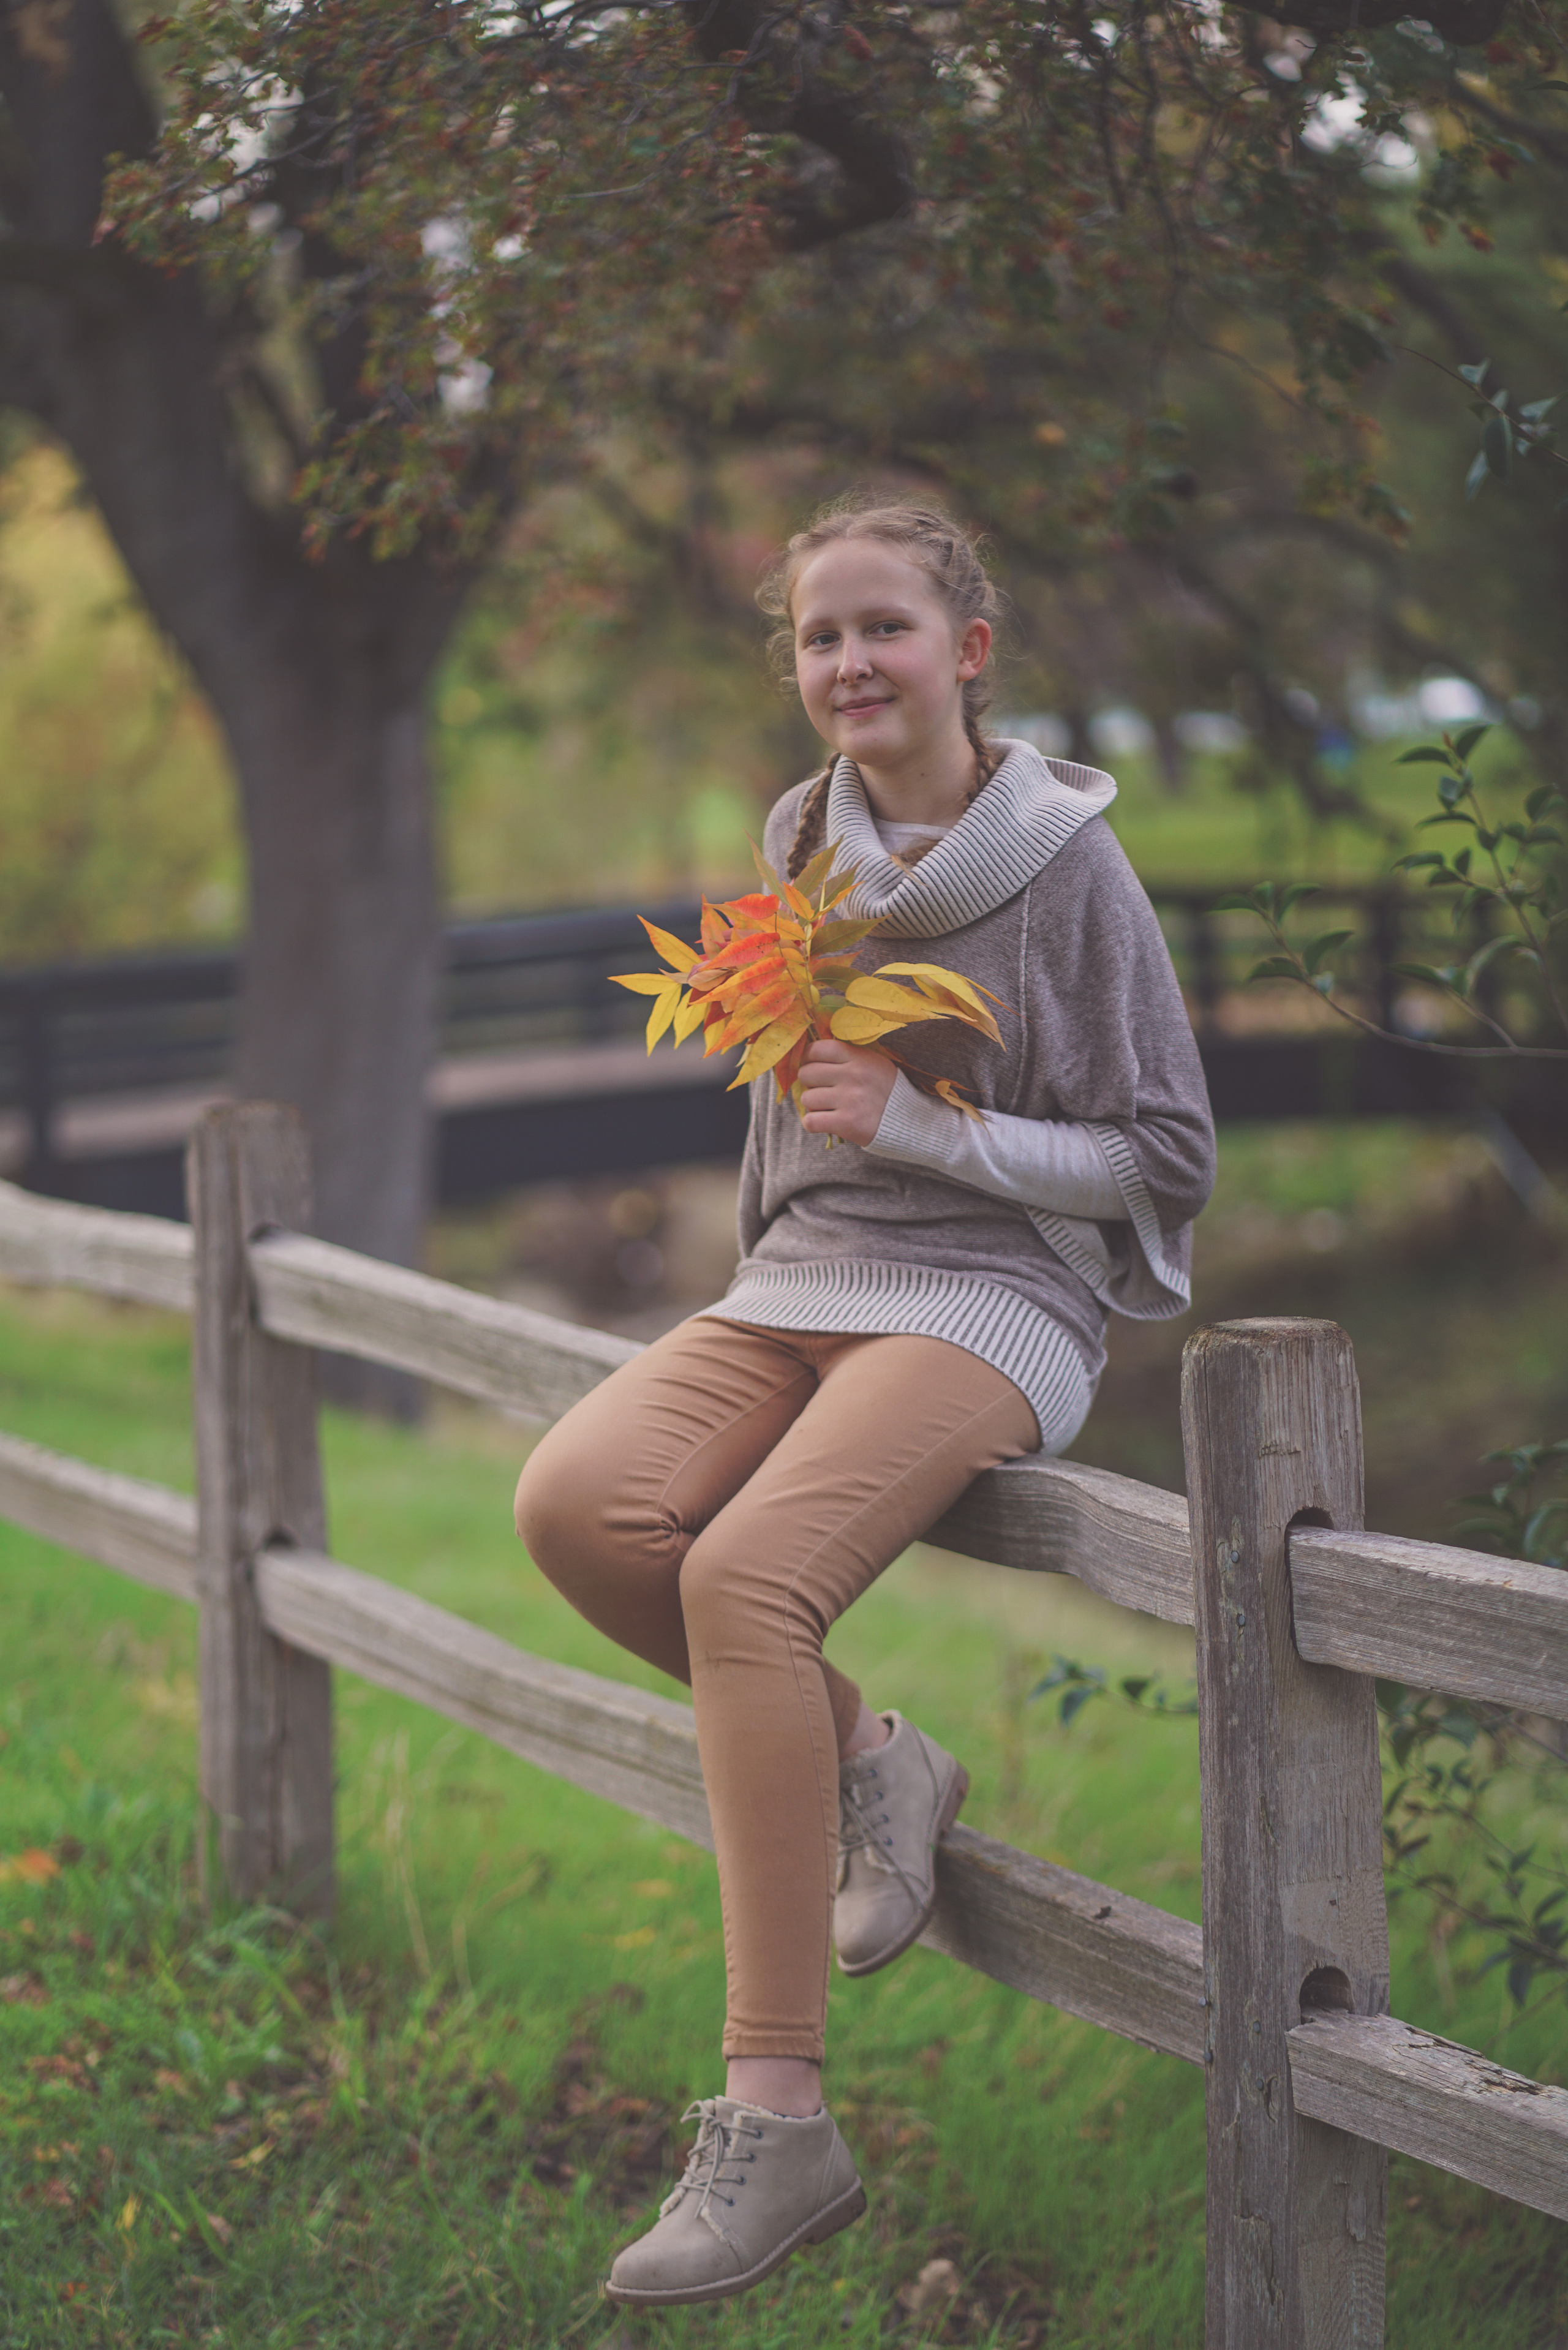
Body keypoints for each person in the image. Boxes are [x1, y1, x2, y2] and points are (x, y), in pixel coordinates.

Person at [513, 494, 1215, 2310]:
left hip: (999, 1299)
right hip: (806, 1278)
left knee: (746, 1581)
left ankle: (776, 2119)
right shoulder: (801, 832)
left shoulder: (1068, 867)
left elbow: (1168, 1152)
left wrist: (922, 1132)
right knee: (578, 1506)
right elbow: (775, 1094)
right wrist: (768, 1260)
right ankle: (878, 1764)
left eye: (882, 629)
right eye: (820, 638)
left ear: (967, 651)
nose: (848, 665)